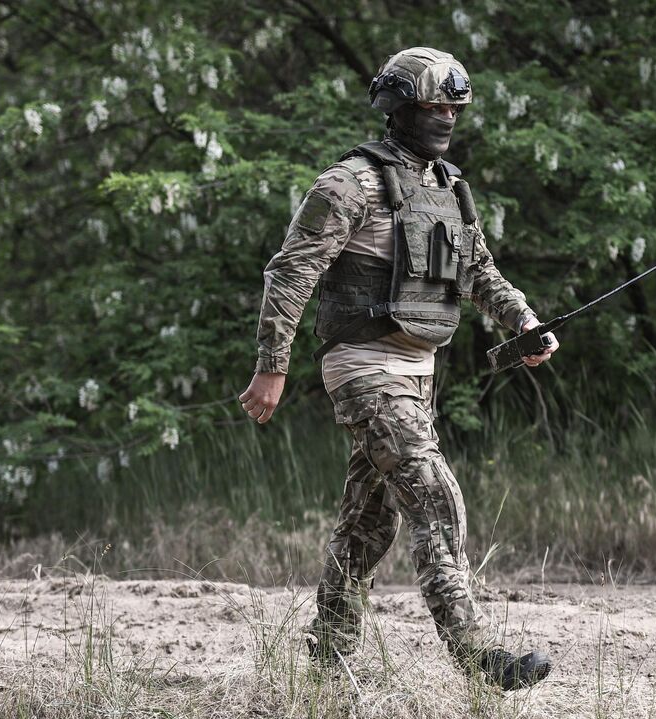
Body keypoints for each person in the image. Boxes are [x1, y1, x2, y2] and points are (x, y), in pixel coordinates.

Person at [237, 47, 556, 690]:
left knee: (369, 519)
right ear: (399, 108)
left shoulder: (449, 188)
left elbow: (480, 273)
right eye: (433, 106)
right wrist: (273, 366)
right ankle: (477, 659)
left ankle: (326, 659)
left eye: (453, 109)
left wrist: (522, 322)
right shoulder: (348, 183)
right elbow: (291, 273)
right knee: (435, 496)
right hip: (361, 366)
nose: (444, 118)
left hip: (418, 372)